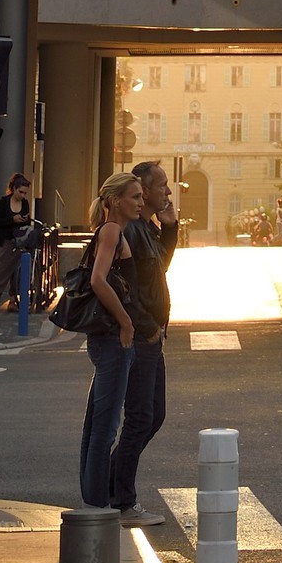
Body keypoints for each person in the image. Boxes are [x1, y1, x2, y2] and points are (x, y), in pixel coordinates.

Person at [109, 160, 180, 524]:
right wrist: (146, 326)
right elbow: (128, 287)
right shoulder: (132, 229)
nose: (168, 191)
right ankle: (121, 501)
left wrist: (170, 229)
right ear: (144, 189)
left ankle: (111, 484)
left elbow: (158, 267)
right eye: (161, 185)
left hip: (150, 334)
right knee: (140, 417)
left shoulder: (145, 227)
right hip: (141, 335)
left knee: (153, 414)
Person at [80, 172, 145, 510]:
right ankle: (96, 506)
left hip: (108, 338)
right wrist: (125, 322)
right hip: (112, 339)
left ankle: (93, 500)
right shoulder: (111, 231)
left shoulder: (114, 231)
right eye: (135, 196)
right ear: (116, 201)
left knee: (98, 423)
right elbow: (98, 280)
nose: (140, 202)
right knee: (105, 428)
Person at [0, 173, 34, 311]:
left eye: (25, 193)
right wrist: (12, 219)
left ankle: (13, 300)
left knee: (16, 270)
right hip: (5, 239)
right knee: (1, 267)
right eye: (20, 192)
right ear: (14, 189)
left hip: (19, 240)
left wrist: (25, 219)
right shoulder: (4, 202)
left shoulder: (25, 203)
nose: (23, 195)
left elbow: (27, 220)